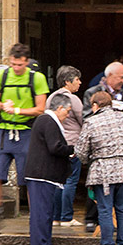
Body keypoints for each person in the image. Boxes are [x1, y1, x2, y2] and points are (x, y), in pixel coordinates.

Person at [0, 43, 50, 232]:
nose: (16, 68)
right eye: (13, 64)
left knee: (29, 177)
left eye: (19, 65)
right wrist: (3, 106)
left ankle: (35, 216)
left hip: (26, 132)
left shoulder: (37, 78)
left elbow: (40, 109)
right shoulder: (2, 76)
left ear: (26, 62)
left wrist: (18, 110)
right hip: (4, 132)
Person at [75, 91, 123, 245]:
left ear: (95, 106)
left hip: (103, 170)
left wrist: (89, 159)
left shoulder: (91, 121)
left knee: (105, 209)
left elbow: (81, 151)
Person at [81, 61, 123, 233]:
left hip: (118, 146)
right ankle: (90, 219)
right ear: (109, 76)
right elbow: (86, 118)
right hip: (100, 146)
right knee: (96, 185)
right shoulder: (92, 93)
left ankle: (113, 224)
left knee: (117, 189)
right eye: (121, 77)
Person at [24, 97, 75, 245]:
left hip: (43, 175)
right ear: (59, 108)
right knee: (42, 212)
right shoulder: (48, 121)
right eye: (67, 112)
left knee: (44, 211)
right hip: (42, 175)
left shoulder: (45, 121)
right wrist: (72, 149)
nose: (67, 115)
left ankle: (43, 243)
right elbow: (55, 147)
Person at [45, 66, 84, 226]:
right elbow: (82, 120)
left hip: (56, 144)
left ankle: (55, 217)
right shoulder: (73, 99)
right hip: (72, 144)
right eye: (77, 80)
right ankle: (66, 217)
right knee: (70, 181)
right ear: (68, 81)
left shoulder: (51, 98)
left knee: (57, 181)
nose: (80, 83)